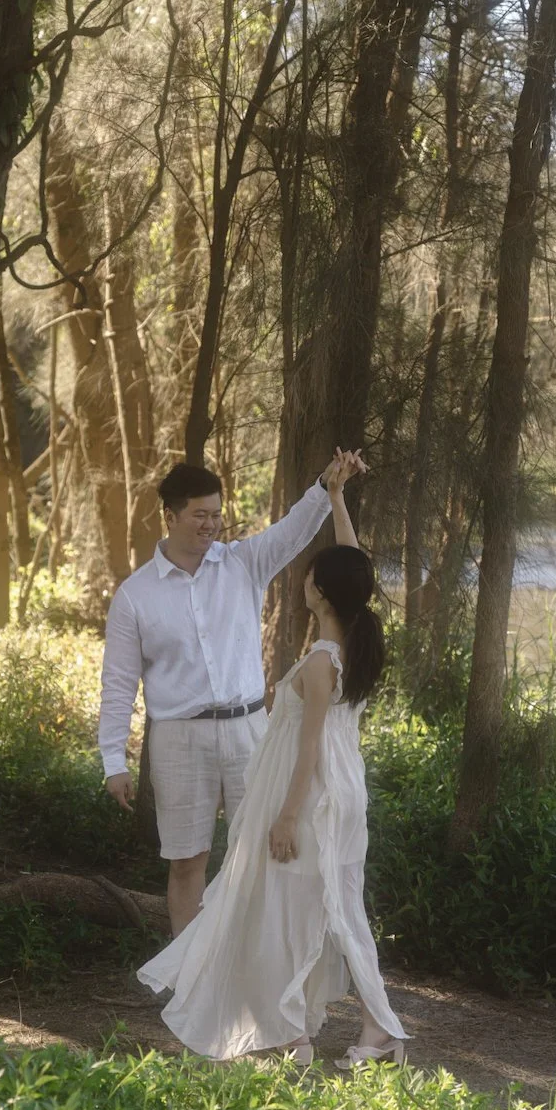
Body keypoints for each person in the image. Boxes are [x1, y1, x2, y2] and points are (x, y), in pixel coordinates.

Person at [137, 454, 408, 1068]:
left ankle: (326, 1028)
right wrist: (335, 498)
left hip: (314, 794)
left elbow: (307, 746)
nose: (304, 579)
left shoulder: (320, 661)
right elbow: (353, 565)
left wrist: (286, 818)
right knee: (337, 906)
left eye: (312, 575)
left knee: (313, 907)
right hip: (342, 787)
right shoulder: (354, 639)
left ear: (320, 590)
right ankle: (354, 1027)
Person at [99, 453, 353, 934]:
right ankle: (187, 986)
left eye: (217, 513)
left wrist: (325, 485)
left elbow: (293, 530)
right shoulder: (135, 595)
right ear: (170, 516)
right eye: (200, 514)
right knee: (187, 861)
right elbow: (117, 683)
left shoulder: (242, 563)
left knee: (262, 854)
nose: (212, 524)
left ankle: (250, 985)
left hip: (250, 732)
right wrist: (114, 761)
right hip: (178, 738)